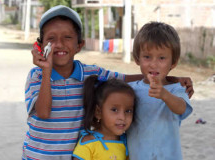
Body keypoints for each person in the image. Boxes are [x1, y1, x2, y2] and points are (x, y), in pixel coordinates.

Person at [23, 5, 194, 160]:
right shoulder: (37, 76)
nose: (59, 44)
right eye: (51, 39)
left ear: (79, 45)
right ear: (40, 45)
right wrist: (46, 70)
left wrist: (171, 79)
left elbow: (125, 78)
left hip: (75, 155)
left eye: (67, 37)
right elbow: (43, 113)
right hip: (37, 156)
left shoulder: (91, 73)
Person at [127, 22, 193, 160]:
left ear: (173, 63)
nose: (153, 64)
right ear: (137, 59)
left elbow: (182, 108)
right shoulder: (131, 90)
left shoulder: (176, 89)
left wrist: (164, 95)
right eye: (147, 57)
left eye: (162, 58)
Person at [72, 75, 135, 160]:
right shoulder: (89, 143)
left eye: (128, 111)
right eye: (114, 110)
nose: (122, 117)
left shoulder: (127, 142)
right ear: (98, 112)